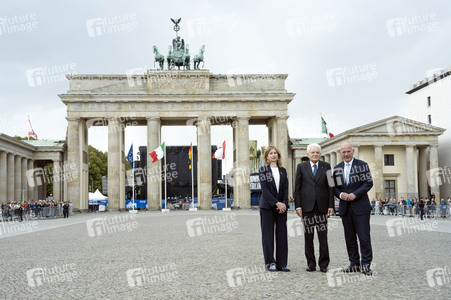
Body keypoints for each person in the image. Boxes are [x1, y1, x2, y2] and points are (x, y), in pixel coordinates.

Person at [333, 142, 374, 276]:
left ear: (353, 151)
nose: (346, 154)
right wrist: (340, 194)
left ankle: (366, 265)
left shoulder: (362, 165)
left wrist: (354, 194)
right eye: (343, 152)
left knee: (364, 237)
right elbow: (334, 188)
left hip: (361, 208)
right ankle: (354, 264)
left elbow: (368, 183)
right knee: (349, 238)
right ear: (340, 153)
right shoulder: (336, 168)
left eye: (348, 151)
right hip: (345, 208)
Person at [294, 143, 334, 273]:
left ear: (320, 154)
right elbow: (297, 188)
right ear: (308, 155)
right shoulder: (301, 167)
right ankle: (311, 263)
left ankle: (324, 264)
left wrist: (331, 205)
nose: (315, 154)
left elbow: (331, 187)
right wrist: (298, 206)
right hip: (307, 208)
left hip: (322, 208)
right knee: (308, 237)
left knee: (323, 237)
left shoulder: (327, 166)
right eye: (312, 152)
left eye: (317, 152)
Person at [259, 146, 289, 272]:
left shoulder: (283, 170)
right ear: (266, 156)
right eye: (270, 153)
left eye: (275, 153)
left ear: (278, 155)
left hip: (282, 207)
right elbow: (264, 190)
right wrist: (276, 203)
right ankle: (270, 262)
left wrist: (284, 204)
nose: (273, 155)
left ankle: (282, 264)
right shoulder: (263, 170)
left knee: (282, 235)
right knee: (268, 236)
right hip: (267, 207)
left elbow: (286, 189)